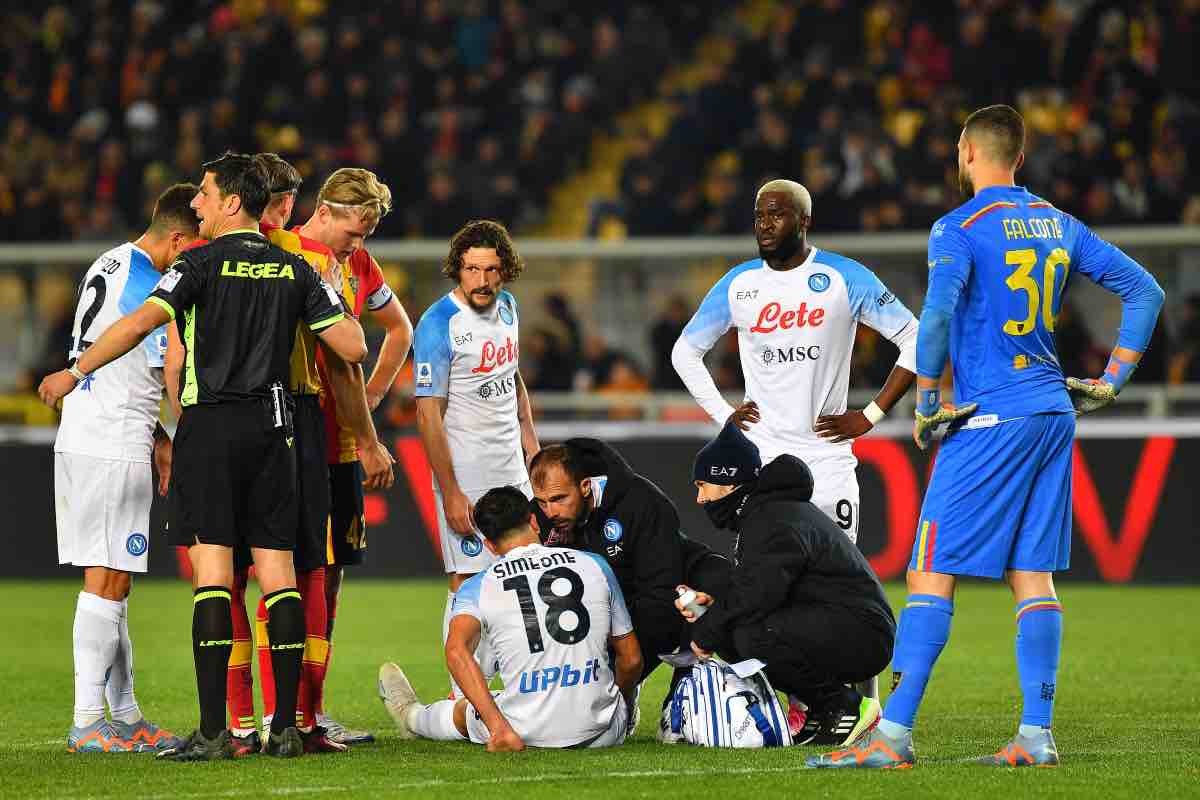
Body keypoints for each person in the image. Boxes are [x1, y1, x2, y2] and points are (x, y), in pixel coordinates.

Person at [809, 105, 1164, 770]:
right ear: (1019, 159)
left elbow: (938, 313)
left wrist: (932, 399)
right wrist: (1112, 379)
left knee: (929, 568)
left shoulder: (959, 227)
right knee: (1031, 574)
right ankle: (1035, 735)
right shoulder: (1058, 223)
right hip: (1052, 412)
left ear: (967, 151)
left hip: (990, 418)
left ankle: (893, 735)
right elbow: (1144, 291)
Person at [41, 151, 370, 761]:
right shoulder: (294, 267)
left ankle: (217, 732)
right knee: (279, 575)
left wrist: (74, 370)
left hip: (212, 429)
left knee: (216, 577)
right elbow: (350, 343)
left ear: (231, 203)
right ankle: (287, 729)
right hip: (277, 431)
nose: (197, 204)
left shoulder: (194, 264)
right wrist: (322, 300)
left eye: (206, 194)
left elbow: (141, 326)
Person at [671, 177, 917, 707]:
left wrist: (871, 414)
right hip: (763, 470)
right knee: (771, 588)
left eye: (777, 215)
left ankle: (865, 706)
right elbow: (684, 353)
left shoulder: (841, 278)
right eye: (759, 215)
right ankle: (807, 705)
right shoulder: (739, 286)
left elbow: (916, 336)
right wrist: (726, 416)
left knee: (843, 582)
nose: (764, 224)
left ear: (803, 222)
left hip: (827, 459)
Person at [54, 184, 198, 754]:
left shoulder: (111, 259)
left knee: (114, 582)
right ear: (180, 239)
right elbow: (167, 372)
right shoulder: (152, 286)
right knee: (106, 582)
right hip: (111, 442)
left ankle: (125, 715)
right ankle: (88, 722)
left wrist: (158, 437)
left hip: (97, 433)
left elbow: (114, 364)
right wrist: (189, 433)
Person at [677, 423, 895, 747]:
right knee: (737, 629)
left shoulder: (772, 519)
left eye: (703, 485)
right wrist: (715, 610)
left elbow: (758, 595)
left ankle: (845, 706)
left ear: (728, 481)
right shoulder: (767, 513)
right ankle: (822, 711)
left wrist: (708, 632)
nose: (699, 498)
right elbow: (757, 588)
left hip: (864, 633)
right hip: (851, 624)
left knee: (750, 634)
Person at [378, 486, 641, 751]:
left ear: (489, 545)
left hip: (526, 731)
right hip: (605, 732)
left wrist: (499, 728)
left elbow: (456, 651)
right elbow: (631, 660)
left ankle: (412, 716)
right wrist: (621, 710)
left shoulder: (477, 587)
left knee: (462, 712)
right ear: (534, 521)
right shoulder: (596, 564)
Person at [296, 167, 414, 744]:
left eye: (367, 234)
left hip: (340, 440)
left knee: (332, 574)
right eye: (356, 231)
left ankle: (310, 710)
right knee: (294, 573)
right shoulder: (287, 252)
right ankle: (282, 712)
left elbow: (399, 329)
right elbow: (341, 356)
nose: (360, 245)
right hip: (295, 436)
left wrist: (372, 397)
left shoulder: (357, 266)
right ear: (326, 210)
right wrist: (369, 436)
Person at [412, 220, 540, 697]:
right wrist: (450, 491)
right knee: (468, 578)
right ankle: (462, 692)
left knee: (524, 568)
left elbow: (513, 376)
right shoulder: (437, 325)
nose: (481, 281)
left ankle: (517, 678)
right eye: (471, 269)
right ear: (457, 270)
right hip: (466, 472)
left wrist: (532, 444)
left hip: (512, 467)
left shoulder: (508, 307)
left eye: (490, 269)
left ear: (505, 271)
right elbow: (428, 414)